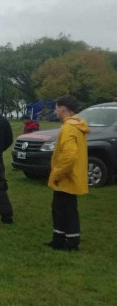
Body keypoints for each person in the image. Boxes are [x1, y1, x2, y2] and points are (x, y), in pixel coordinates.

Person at [46, 95, 89, 251]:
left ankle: (71, 242)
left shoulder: (69, 127)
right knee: (60, 208)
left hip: (66, 177)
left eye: (56, 108)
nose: (55, 111)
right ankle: (59, 238)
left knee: (66, 209)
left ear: (63, 109)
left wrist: (57, 173)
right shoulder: (76, 125)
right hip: (70, 176)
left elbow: (69, 155)